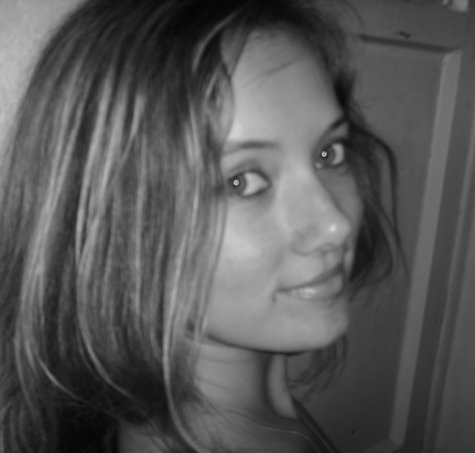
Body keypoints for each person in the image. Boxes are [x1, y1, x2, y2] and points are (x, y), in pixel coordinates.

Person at [0, 0, 398, 452]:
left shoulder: (254, 406)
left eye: (329, 153)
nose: (335, 225)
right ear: (116, 229)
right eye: (242, 181)